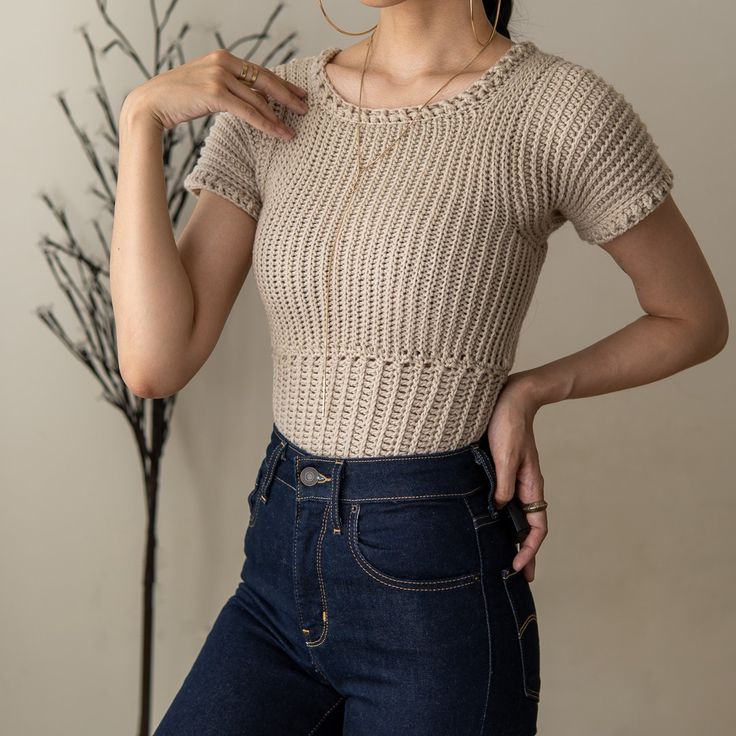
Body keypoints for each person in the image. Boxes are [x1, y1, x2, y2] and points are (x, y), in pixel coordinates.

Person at [110, 1, 728, 734]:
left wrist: (528, 391)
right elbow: (156, 361)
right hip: (278, 556)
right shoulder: (273, 102)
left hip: (434, 573)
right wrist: (141, 120)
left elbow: (693, 317)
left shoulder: (559, 109)